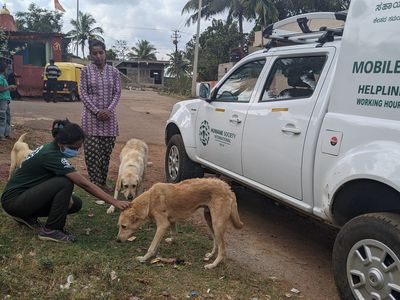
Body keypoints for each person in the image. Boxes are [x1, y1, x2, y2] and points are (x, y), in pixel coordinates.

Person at [0, 119, 130, 243]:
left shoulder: (52, 148)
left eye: (79, 148)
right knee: (65, 181)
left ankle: (27, 216)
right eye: (74, 148)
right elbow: (84, 184)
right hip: (13, 202)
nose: (76, 151)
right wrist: (114, 201)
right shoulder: (51, 155)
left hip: (22, 197)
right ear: (62, 144)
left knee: (75, 203)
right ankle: (51, 230)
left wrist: (65, 198)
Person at [80, 40, 121, 192]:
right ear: (91, 55)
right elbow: (83, 93)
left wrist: (109, 110)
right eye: (94, 53)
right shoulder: (85, 71)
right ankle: (94, 185)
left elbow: (117, 92)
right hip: (91, 119)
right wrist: (97, 111)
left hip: (109, 119)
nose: (98, 56)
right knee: (91, 154)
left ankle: (103, 183)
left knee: (105, 154)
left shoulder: (114, 72)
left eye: (100, 52)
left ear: (105, 53)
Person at [0, 62, 17, 141]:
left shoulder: (3, 77)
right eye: (7, 69)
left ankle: (7, 133)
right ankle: (1, 135)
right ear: (3, 69)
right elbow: (1, 89)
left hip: (6, 99)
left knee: (8, 117)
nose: (8, 70)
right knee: (3, 117)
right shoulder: (0, 78)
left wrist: (9, 88)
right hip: (2, 100)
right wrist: (9, 86)